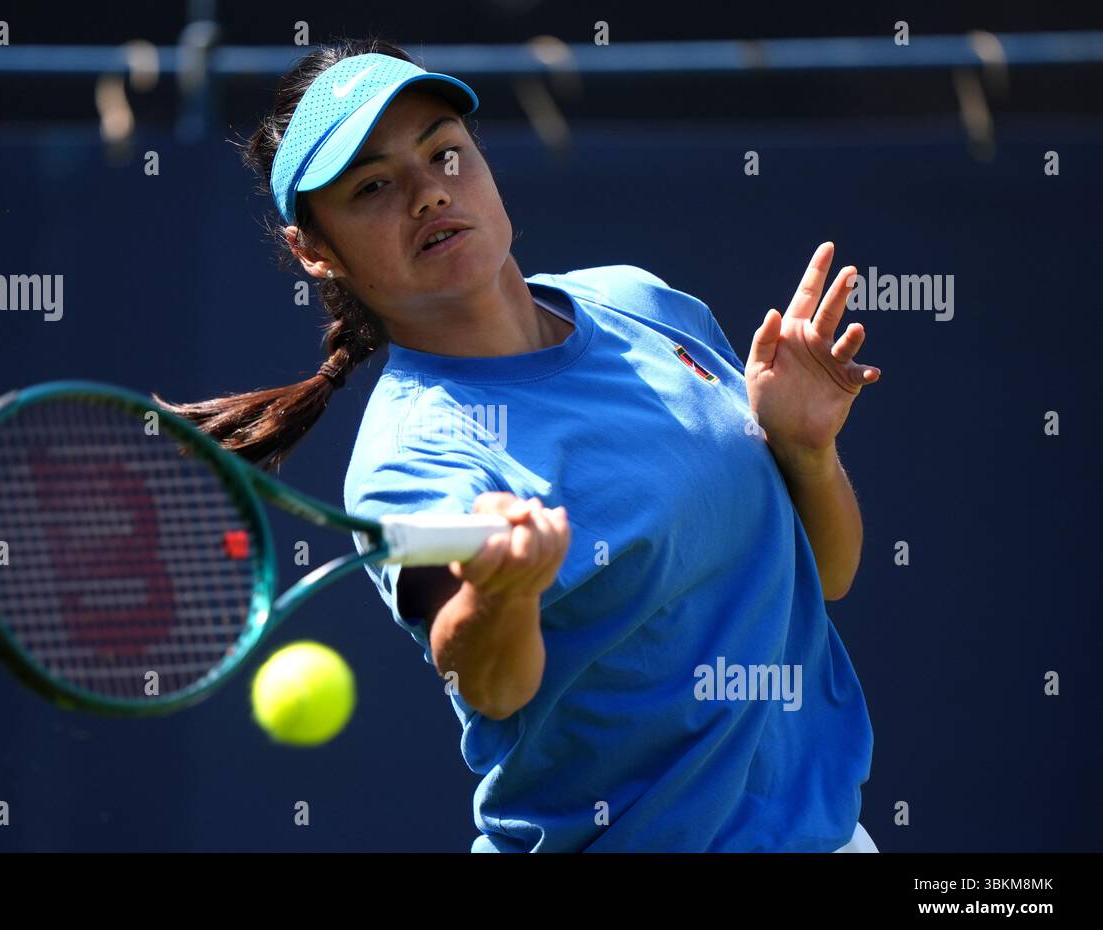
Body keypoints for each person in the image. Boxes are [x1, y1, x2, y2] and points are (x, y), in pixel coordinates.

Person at [160, 37, 883, 852]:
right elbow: (490, 686)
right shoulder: (411, 460)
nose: (429, 193)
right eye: (373, 186)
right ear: (313, 250)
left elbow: (826, 574)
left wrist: (803, 449)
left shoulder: (642, 303)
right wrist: (501, 594)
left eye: (444, 152)